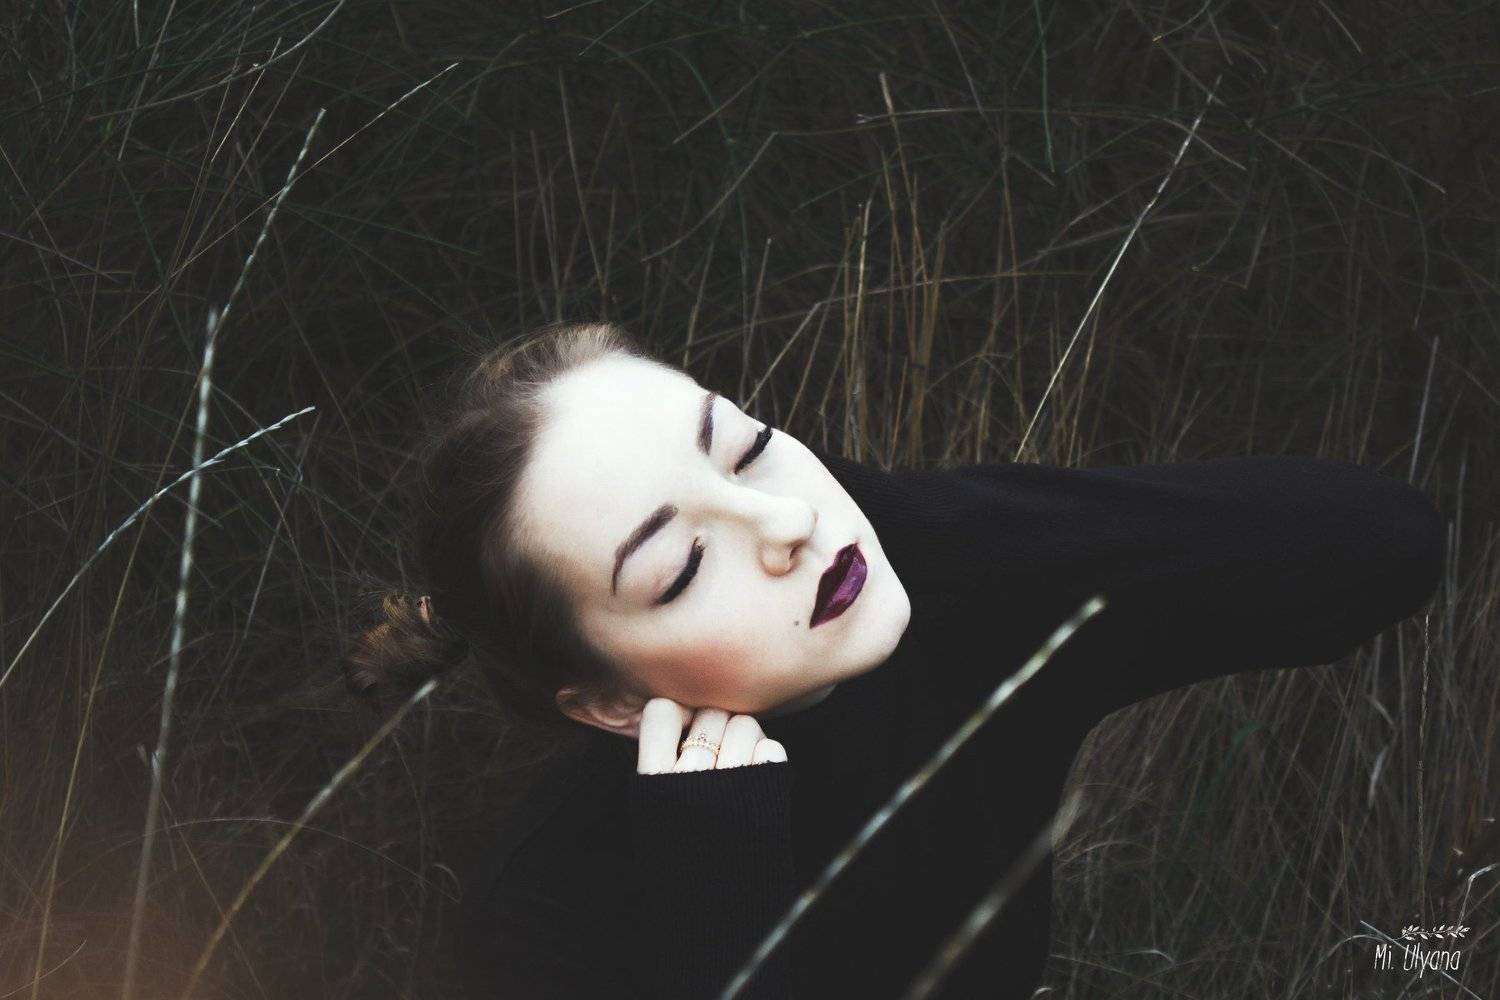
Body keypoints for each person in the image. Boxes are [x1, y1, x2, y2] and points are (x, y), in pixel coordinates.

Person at [341, 320, 1447, 999]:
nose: (786, 524)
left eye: (748, 449)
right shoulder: (542, 908)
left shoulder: (958, 596)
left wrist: (899, 525)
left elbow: (1373, 543)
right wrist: (720, 900)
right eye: (683, 566)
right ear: (612, 701)